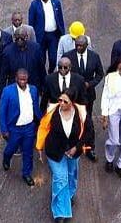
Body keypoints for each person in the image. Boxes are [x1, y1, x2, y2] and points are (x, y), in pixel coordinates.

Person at [37, 90, 90, 222]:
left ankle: (69, 195)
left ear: (72, 103)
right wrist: (39, 146)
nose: (61, 103)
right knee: (60, 179)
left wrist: (76, 147)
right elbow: (43, 127)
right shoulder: (52, 111)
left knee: (71, 175)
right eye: (60, 100)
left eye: (65, 101)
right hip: (54, 152)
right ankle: (61, 212)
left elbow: (88, 133)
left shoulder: (81, 112)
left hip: (73, 152)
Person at [63, 35, 104, 160]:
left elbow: (100, 74)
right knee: (71, 121)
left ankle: (89, 147)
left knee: (88, 122)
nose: (78, 47)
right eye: (77, 45)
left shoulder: (94, 57)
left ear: (86, 45)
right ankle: (71, 145)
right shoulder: (68, 56)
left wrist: (90, 84)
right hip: (73, 96)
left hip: (88, 96)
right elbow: (63, 73)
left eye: (81, 45)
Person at [0, 68, 41, 186]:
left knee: (28, 152)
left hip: (29, 128)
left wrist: (41, 121)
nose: (23, 82)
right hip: (14, 128)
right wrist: (4, 129)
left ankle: (26, 174)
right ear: (16, 78)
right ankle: (6, 158)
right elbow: (2, 111)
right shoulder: (8, 91)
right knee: (11, 149)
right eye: (20, 79)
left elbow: (35, 107)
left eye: (25, 79)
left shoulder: (33, 90)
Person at [28, 0, 66, 73]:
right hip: (40, 36)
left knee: (53, 58)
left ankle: (50, 71)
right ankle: (43, 76)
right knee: (41, 59)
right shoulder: (34, 5)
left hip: (53, 35)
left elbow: (60, 18)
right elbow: (31, 22)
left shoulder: (56, 3)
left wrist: (62, 33)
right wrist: (32, 37)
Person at [1, 29, 47, 93]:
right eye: (17, 38)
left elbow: (41, 69)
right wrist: (3, 91)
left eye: (22, 38)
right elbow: (3, 73)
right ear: (14, 37)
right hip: (15, 88)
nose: (19, 40)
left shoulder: (36, 48)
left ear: (27, 37)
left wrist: (44, 86)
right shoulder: (7, 51)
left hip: (33, 85)